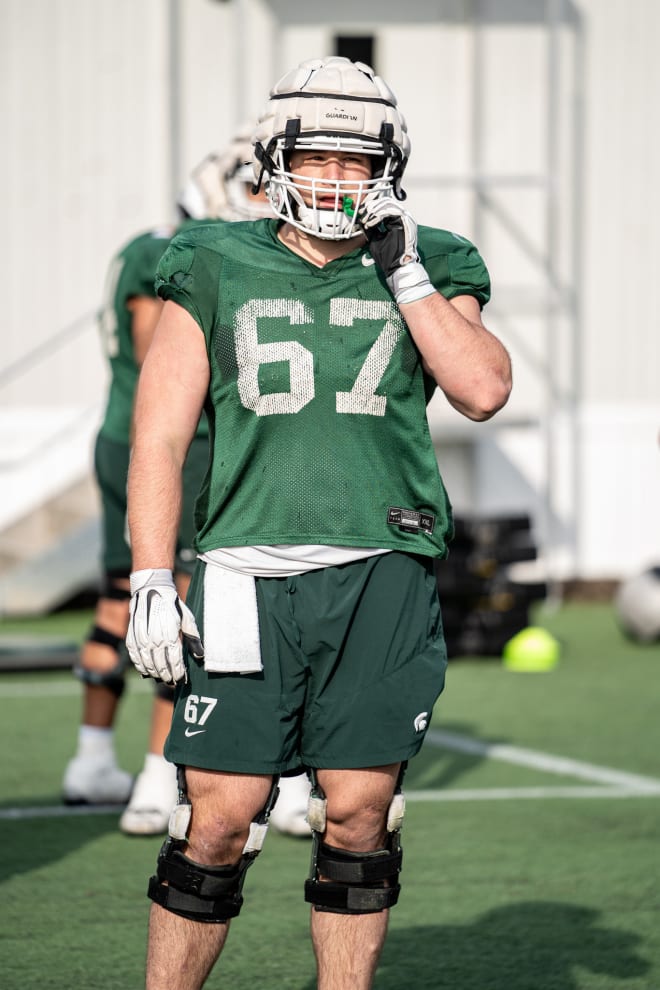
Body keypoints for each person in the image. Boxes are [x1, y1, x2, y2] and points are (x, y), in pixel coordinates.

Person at [125, 55, 512, 990]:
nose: (336, 178)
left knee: (358, 815)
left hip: (381, 563)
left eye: (355, 159)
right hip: (245, 572)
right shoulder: (212, 258)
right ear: (276, 157)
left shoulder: (434, 255)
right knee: (215, 819)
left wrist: (408, 274)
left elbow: (484, 389)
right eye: (319, 156)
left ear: (390, 162)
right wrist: (147, 575)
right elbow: (160, 435)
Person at [62, 134, 301, 837]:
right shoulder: (177, 254)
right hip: (174, 445)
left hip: (125, 438)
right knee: (178, 602)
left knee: (120, 599)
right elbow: (155, 350)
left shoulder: (149, 244)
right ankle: (154, 775)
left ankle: (92, 759)